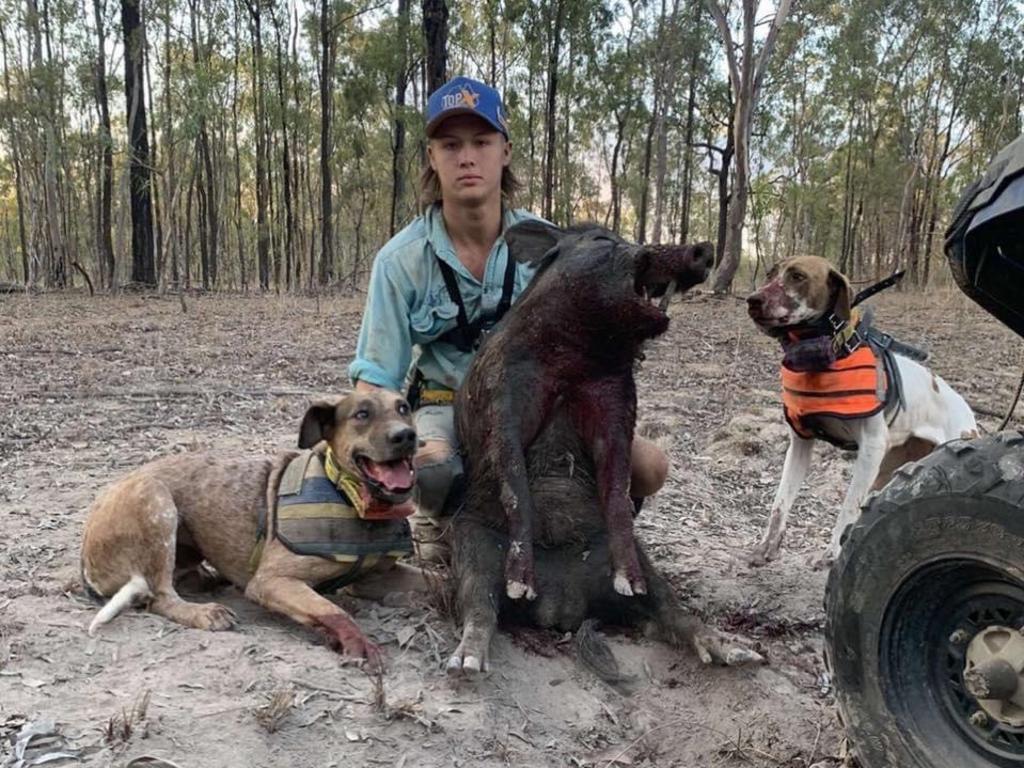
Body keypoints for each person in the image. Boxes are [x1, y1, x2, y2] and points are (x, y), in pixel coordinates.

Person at [348, 75, 668, 561]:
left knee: (648, 466)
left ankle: (589, 536)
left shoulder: (551, 248)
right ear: (432, 157)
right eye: (450, 145)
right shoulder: (400, 261)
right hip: (446, 408)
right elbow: (375, 380)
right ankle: (453, 528)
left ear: (505, 151)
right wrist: (358, 448)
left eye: (482, 141)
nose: (467, 157)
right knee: (432, 472)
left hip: (538, 408)